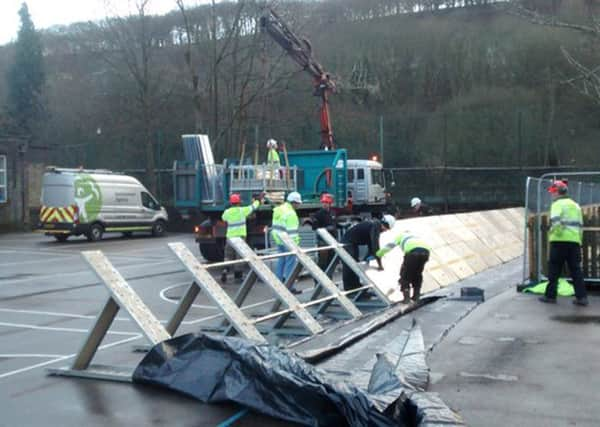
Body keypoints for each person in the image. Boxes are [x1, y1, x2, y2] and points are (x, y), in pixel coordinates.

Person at [539, 180, 588, 306]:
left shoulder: (557, 204)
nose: (552, 195)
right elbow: (580, 226)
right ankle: (582, 298)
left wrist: (557, 233)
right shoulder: (576, 205)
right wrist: (579, 241)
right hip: (574, 242)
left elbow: (556, 222)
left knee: (554, 270)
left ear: (557, 192)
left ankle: (550, 296)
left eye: (552, 192)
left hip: (559, 242)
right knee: (576, 270)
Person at [340, 215, 393, 291]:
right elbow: (375, 246)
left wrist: (367, 258)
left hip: (352, 243)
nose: (385, 231)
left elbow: (371, 246)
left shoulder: (374, 225)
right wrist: (380, 265)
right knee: (349, 265)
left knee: (355, 264)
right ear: (385, 224)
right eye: (386, 229)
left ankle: (356, 286)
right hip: (347, 243)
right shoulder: (375, 226)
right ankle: (349, 288)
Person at [377, 229, 430, 303]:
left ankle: (406, 299)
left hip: (413, 253)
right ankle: (416, 296)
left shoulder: (401, 236)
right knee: (417, 274)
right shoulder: (415, 237)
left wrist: (379, 254)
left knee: (405, 275)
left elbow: (390, 246)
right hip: (426, 253)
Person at [220, 193, 261, 283]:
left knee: (228, 256)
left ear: (231, 203)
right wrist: (258, 200)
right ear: (239, 203)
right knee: (239, 257)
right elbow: (253, 207)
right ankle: (238, 277)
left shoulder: (227, 212)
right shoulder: (242, 210)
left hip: (230, 237)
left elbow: (223, 218)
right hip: (240, 237)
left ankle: (225, 270)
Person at [271, 191, 302, 292]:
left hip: (279, 240)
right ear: (294, 202)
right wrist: (296, 245)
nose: (299, 205)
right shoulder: (291, 213)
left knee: (281, 260)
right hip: (289, 242)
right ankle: (289, 285)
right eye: (298, 203)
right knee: (290, 263)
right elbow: (292, 233)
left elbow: (275, 227)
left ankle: (278, 283)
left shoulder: (279, 209)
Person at [304, 193, 336, 272]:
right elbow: (315, 228)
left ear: (330, 204)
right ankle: (319, 281)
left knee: (331, 261)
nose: (325, 204)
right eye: (324, 203)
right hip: (323, 241)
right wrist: (325, 229)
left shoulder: (332, 213)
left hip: (332, 240)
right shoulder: (318, 214)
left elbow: (335, 224)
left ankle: (329, 279)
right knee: (322, 263)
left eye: (327, 203)